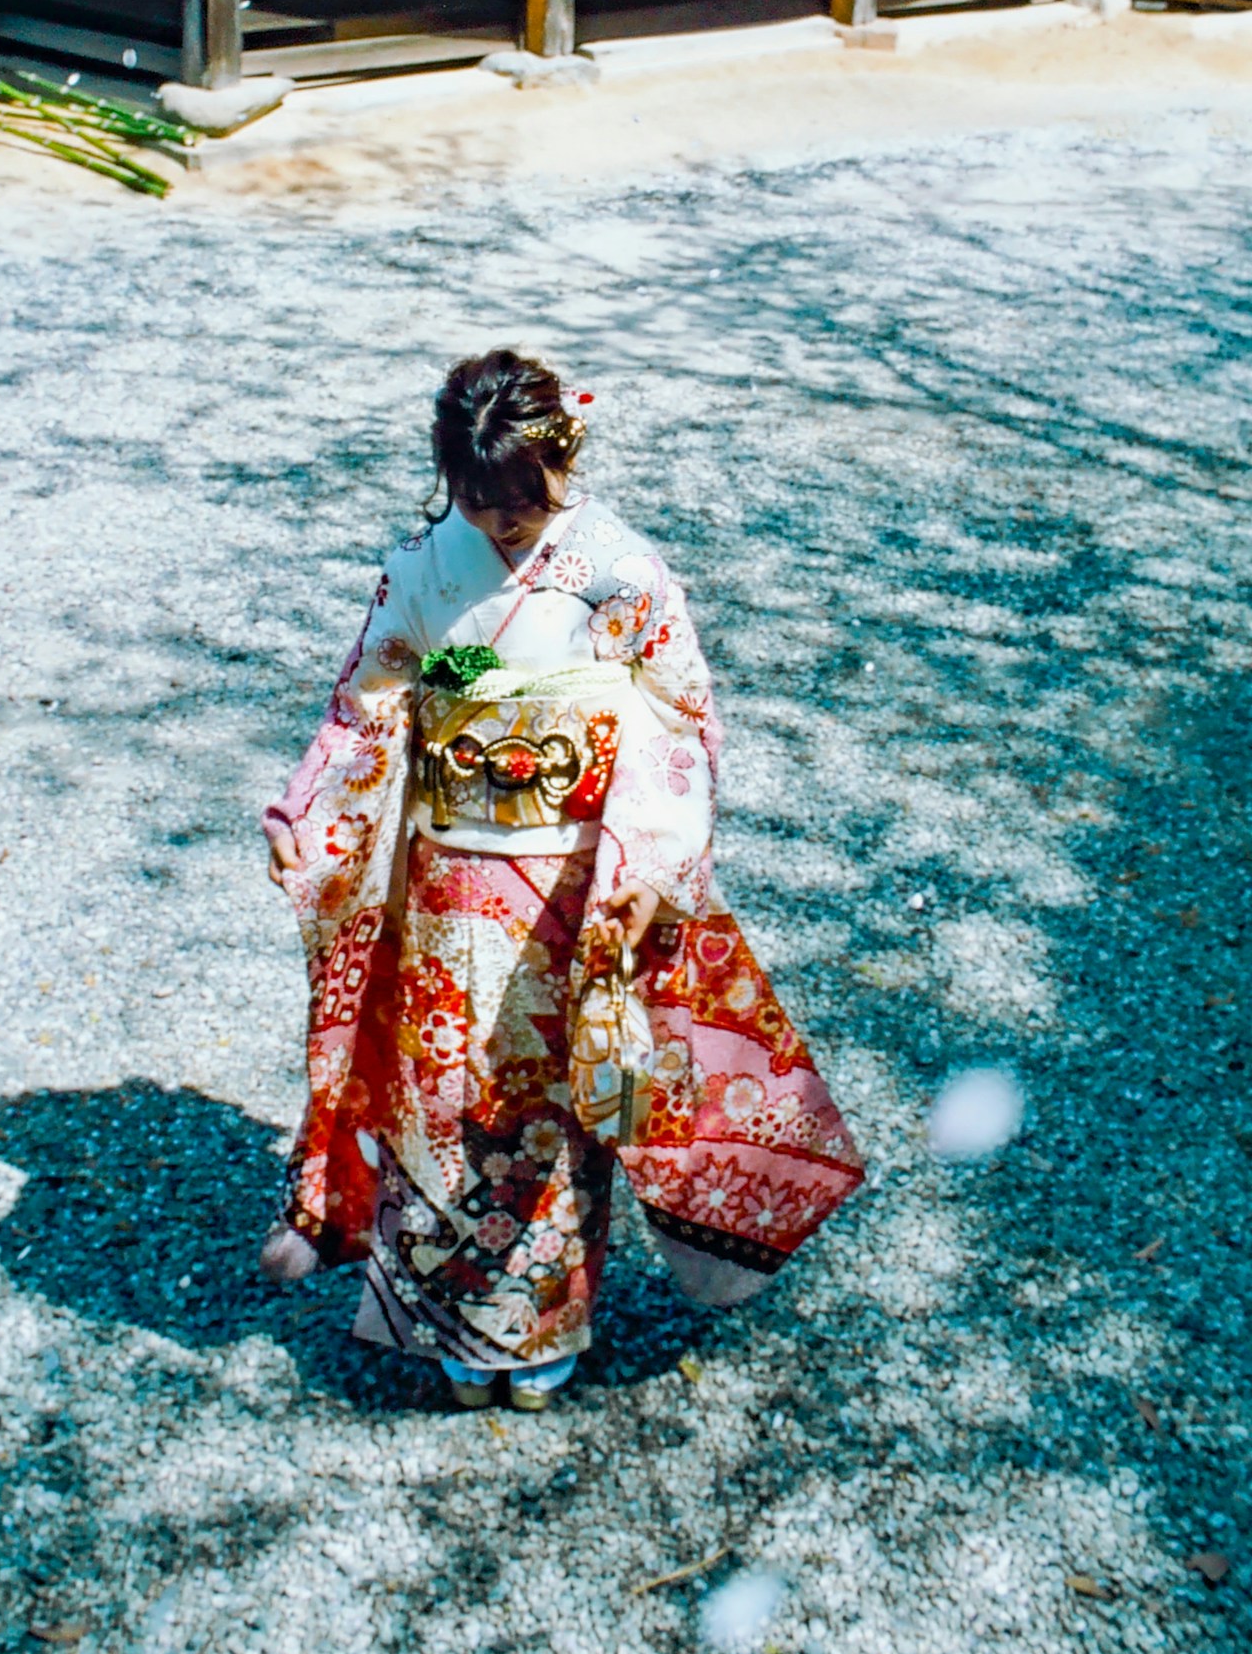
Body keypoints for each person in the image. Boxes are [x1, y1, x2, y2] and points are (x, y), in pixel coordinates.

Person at [261, 350, 862, 1412]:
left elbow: (677, 719)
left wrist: (648, 859)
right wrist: (312, 817)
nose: (501, 525)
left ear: (561, 459)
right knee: (443, 1103)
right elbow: (365, 709)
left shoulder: (620, 571)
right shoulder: (420, 570)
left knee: (550, 1114)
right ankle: (447, 1326)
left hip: (575, 887)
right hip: (448, 887)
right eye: (477, 501)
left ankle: (544, 1330)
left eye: (522, 500)